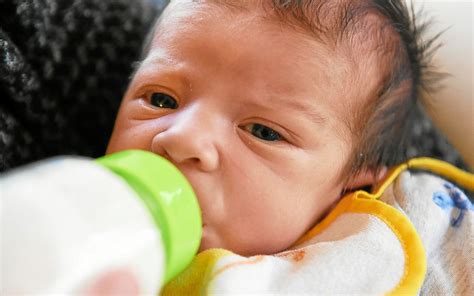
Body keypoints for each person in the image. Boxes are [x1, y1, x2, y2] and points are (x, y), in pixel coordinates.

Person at [106, 0, 473, 294]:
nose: (181, 138)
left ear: (351, 184)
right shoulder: (84, 220)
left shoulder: (369, 253)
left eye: (263, 132)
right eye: (159, 98)